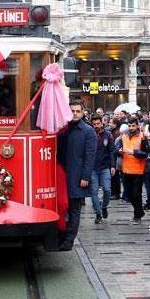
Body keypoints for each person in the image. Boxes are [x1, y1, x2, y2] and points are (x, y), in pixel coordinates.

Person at [57, 101, 96, 250]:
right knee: (63, 207)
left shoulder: (88, 131)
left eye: (77, 111)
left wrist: (85, 177)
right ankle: (62, 235)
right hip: (62, 175)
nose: (74, 113)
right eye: (72, 110)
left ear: (82, 112)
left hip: (77, 177)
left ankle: (69, 240)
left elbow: (90, 156)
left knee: (74, 209)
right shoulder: (63, 130)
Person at [117, 117, 149, 224]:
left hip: (138, 170)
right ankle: (140, 211)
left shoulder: (142, 137)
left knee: (136, 194)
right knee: (128, 195)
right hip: (126, 170)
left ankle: (137, 215)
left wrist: (132, 152)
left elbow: (145, 154)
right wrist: (120, 151)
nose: (131, 128)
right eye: (129, 126)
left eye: (133, 126)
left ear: (137, 126)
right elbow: (117, 150)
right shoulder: (124, 136)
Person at [89, 114, 114, 224]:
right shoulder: (89, 135)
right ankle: (98, 213)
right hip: (92, 168)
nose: (96, 126)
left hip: (104, 167)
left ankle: (104, 206)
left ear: (101, 123)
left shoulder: (108, 135)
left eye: (98, 123)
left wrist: (112, 166)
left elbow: (111, 151)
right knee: (93, 192)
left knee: (107, 190)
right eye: (94, 124)